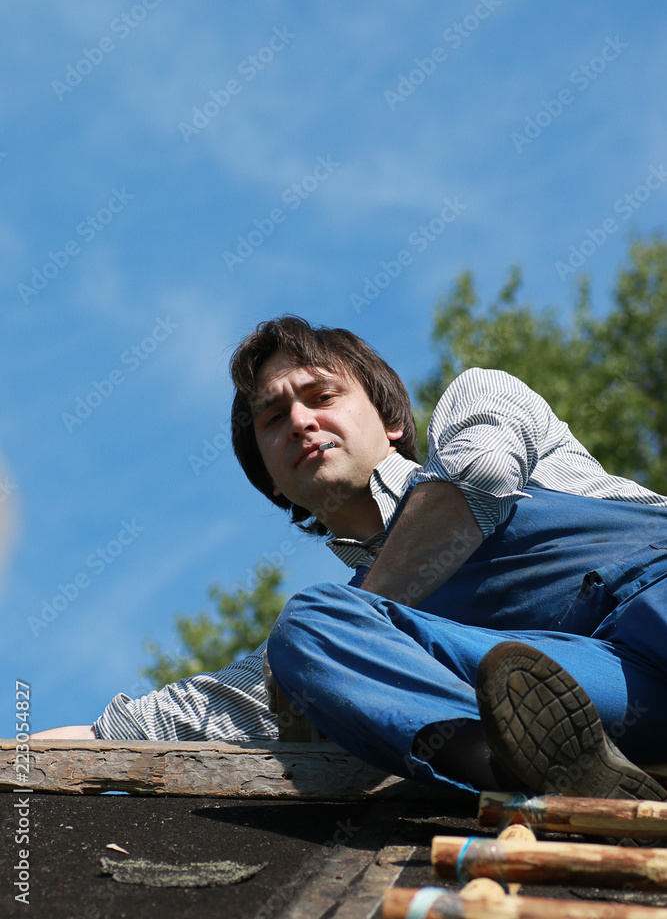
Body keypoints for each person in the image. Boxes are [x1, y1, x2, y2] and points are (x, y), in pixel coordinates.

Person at [35, 316, 667, 801]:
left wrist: (370, 608)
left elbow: (481, 476)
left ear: (389, 419)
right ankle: (522, 776)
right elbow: (144, 730)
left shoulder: (480, 399)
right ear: (272, 480)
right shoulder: (340, 631)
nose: (300, 422)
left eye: (321, 396)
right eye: (273, 418)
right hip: (610, 690)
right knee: (308, 625)